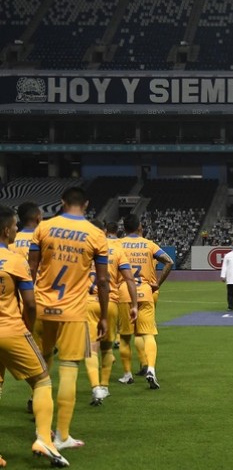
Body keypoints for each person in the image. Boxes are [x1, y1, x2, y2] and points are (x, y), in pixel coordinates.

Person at [28, 186, 109, 451]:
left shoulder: (44, 228)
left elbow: (31, 270)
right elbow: (104, 281)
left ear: (62, 202)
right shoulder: (96, 235)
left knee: (42, 373)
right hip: (73, 312)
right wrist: (104, 317)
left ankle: (42, 430)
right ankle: (62, 436)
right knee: (69, 369)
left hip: (41, 307)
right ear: (86, 204)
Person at [0, 205, 69, 468]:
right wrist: (27, 327)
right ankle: (43, 439)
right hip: (10, 330)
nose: (17, 229)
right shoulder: (15, 260)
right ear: (7, 230)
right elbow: (29, 303)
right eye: (14, 225)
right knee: (41, 380)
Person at [86, 221, 138, 404]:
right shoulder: (116, 250)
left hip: (86, 303)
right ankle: (105, 386)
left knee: (92, 348)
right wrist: (133, 305)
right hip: (110, 303)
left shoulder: (81, 250)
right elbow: (129, 279)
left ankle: (95, 387)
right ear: (105, 231)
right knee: (107, 347)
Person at [119, 214, 173, 390]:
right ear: (140, 227)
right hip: (146, 292)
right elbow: (169, 262)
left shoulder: (117, 244)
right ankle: (151, 369)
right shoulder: (150, 245)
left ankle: (127, 375)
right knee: (148, 333)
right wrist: (157, 283)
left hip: (125, 293)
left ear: (125, 228)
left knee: (126, 336)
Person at [10, 201, 43, 414]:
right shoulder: (43, 239)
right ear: (38, 217)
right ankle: (37, 399)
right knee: (39, 361)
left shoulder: (9, 243)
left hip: (11, 304)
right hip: (36, 301)